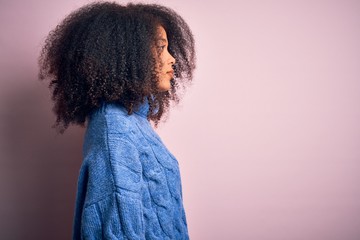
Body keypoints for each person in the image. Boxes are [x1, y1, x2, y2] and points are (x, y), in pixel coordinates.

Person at [38, 2, 196, 239]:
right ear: (130, 56)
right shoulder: (116, 133)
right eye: (161, 48)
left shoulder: (133, 121)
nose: (172, 58)